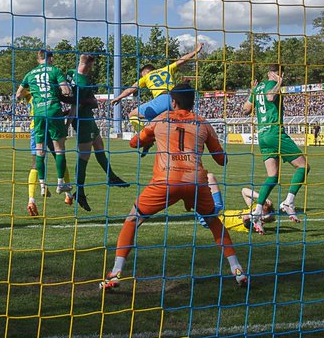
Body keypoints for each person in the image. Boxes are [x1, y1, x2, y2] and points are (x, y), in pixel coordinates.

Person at [101, 83, 246, 291]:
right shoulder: (203, 123)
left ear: (173, 102)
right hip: (195, 181)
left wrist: (150, 138)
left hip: (166, 180)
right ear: (193, 103)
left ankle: (115, 272)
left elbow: (134, 143)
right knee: (214, 222)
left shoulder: (160, 120)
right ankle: (237, 269)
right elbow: (222, 160)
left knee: (133, 219)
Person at [109, 42, 203, 156]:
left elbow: (131, 89)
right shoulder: (167, 69)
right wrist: (196, 51)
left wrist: (118, 98)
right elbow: (182, 60)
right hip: (175, 100)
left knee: (132, 115)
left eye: (142, 75)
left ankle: (146, 137)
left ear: (145, 72)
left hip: (161, 100)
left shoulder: (147, 76)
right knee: (173, 126)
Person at [240, 65, 308, 222]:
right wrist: (279, 83)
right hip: (274, 132)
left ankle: (257, 211)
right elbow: (271, 97)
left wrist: (253, 92)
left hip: (262, 135)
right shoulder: (272, 85)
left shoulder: (258, 88)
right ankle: (288, 202)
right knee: (303, 166)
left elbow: (245, 110)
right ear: (277, 74)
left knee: (272, 176)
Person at [67, 52, 128, 211]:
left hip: (89, 119)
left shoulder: (70, 73)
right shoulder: (83, 83)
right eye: (91, 66)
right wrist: (68, 123)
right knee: (84, 157)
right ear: (87, 65)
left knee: (99, 146)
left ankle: (111, 176)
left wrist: (90, 102)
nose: (91, 70)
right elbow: (77, 105)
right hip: (82, 122)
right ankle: (79, 192)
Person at [17, 49, 73, 215]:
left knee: (36, 161)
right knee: (60, 153)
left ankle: (33, 197)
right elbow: (66, 91)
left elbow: (18, 94)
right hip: (53, 113)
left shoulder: (30, 79)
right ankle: (66, 190)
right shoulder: (54, 73)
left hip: (38, 122)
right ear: (50, 58)